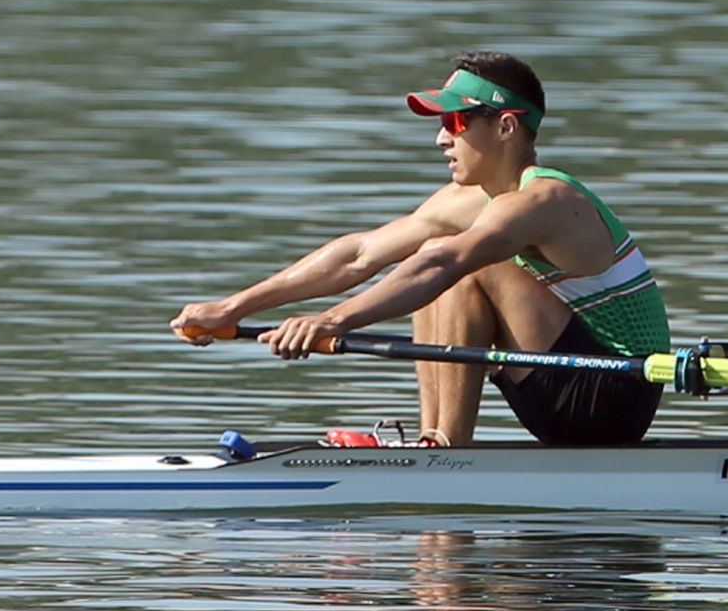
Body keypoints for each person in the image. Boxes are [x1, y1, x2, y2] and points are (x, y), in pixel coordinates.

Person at [171, 51, 670, 447]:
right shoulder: (473, 201)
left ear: (505, 127)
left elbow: (444, 263)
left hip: (613, 395)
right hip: (557, 388)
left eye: (455, 123)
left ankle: (443, 449)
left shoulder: (546, 199)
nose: (439, 139)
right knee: (437, 250)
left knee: (457, 261)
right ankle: (438, 441)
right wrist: (232, 307)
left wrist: (333, 322)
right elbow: (359, 254)